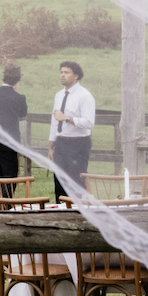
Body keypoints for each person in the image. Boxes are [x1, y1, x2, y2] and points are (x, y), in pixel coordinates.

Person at [48, 59, 95, 200]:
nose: (62, 75)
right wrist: (51, 146)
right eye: (61, 72)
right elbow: (54, 122)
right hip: (61, 143)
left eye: (66, 72)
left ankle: (77, 212)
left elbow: (89, 122)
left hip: (78, 143)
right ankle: (60, 212)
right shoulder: (59, 95)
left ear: (76, 76)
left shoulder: (84, 96)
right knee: (59, 180)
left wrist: (68, 118)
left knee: (76, 180)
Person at [0, 64, 27, 182]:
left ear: (4, 76)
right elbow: (23, 115)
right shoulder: (19, 98)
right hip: (9, 142)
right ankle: (5, 201)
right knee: (10, 176)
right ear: (18, 79)